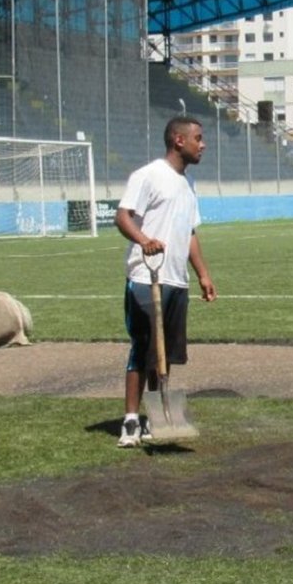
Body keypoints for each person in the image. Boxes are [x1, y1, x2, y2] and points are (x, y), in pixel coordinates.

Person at [113, 116, 217, 447]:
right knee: (143, 348)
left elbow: (189, 232)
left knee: (165, 354)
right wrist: (145, 240)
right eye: (198, 138)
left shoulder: (188, 184)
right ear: (178, 140)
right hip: (146, 276)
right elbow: (123, 215)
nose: (203, 145)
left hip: (176, 279)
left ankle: (158, 417)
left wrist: (202, 273)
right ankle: (131, 421)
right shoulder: (148, 175)